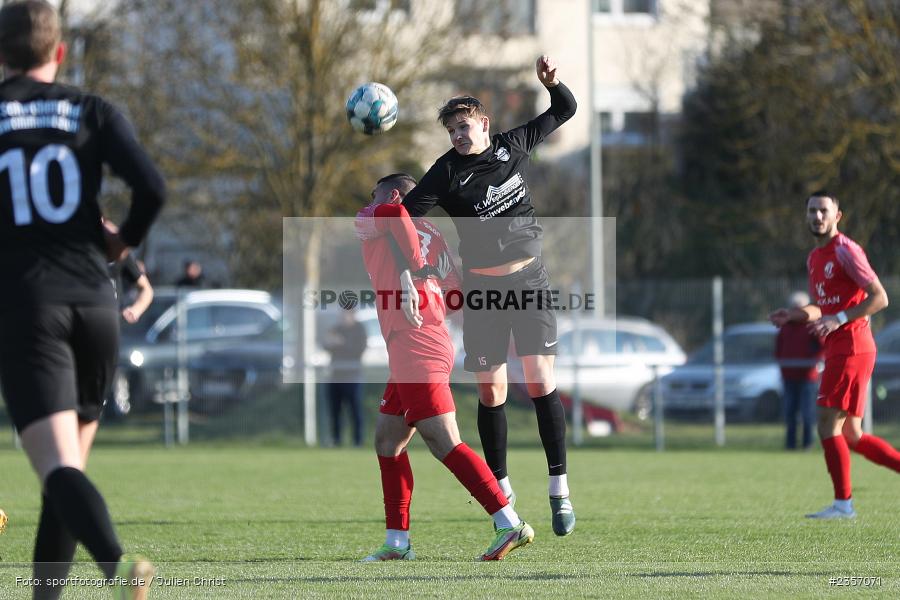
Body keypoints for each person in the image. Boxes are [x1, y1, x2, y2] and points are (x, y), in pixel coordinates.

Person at [0, 2, 165, 598]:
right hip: (97, 304)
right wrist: (125, 241)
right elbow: (151, 186)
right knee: (63, 477)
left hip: (29, 306)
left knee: (58, 470)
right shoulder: (89, 108)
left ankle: (119, 567)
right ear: (60, 53)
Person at [401, 55, 577, 536]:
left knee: (540, 383)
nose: (458, 135)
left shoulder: (513, 145)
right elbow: (407, 218)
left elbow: (565, 110)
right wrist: (408, 256)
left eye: (464, 126)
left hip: (529, 281)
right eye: (452, 130)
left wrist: (552, 84)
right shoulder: (444, 173)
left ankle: (559, 489)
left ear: (483, 124)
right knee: (492, 391)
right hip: (482, 289)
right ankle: (502, 490)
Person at [355, 173, 533, 561]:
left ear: (394, 194)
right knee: (388, 441)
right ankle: (397, 543)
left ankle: (509, 521)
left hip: (416, 343)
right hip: (421, 341)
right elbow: (454, 292)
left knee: (443, 440)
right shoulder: (432, 230)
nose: (368, 205)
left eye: (374, 196)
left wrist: (412, 272)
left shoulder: (377, 213)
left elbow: (392, 214)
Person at [769, 192, 899, 519]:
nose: (817, 216)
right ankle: (844, 504)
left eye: (823, 211)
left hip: (852, 345)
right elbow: (822, 308)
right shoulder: (815, 257)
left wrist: (839, 319)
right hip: (842, 347)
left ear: (837, 216)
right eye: (812, 210)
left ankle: (843, 505)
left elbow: (879, 298)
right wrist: (795, 315)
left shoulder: (846, 251)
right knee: (852, 434)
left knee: (826, 423)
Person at [774, 290, 822, 450]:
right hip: (789, 375)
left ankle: (807, 444)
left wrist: (813, 362)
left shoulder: (812, 326)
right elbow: (779, 348)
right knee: (790, 412)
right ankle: (790, 445)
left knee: (807, 413)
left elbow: (823, 347)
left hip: (808, 376)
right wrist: (782, 363)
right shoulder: (785, 328)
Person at [323, 310, 367, 447]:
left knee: (355, 410)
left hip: (352, 377)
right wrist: (331, 342)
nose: (343, 317)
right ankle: (336, 440)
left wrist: (342, 343)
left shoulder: (359, 329)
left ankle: (358, 441)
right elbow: (326, 345)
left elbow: (359, 350)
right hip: (335, 376)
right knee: (335, 411)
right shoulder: (336, 328)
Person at [107, 236, 154, 325]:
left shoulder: (119, 252)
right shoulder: (75, 254)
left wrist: (136, 310)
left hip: (110, 325)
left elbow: (147, 289)